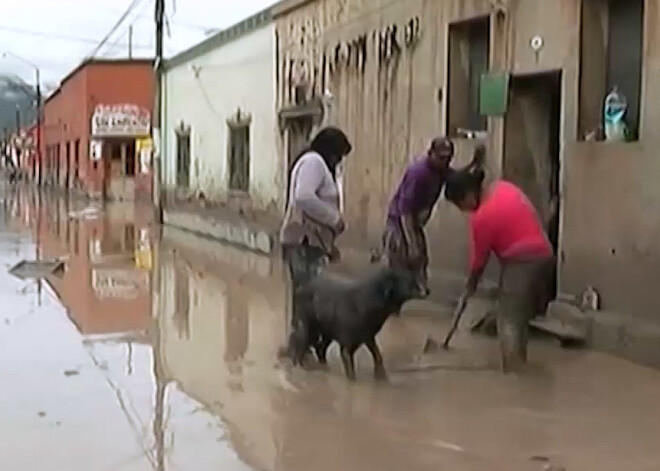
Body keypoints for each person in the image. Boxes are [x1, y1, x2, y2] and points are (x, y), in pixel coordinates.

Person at [444, 168, 554, 372]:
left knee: (508, 316)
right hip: (545, 255)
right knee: (518, 315)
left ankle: (515, 373)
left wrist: (470, 286)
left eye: (460, 205)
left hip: (523, 261)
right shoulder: (503, 188)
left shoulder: (482, 218)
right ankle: (521, 364)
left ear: (468, 195)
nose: (463, 210)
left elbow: (479, 262)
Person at [382, 138, 484, 297]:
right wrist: (412, 243)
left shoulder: (441, 171)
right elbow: (405, 211)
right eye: (441, 158)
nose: (445, 162)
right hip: (400, 221)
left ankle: (417, 290)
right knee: (401, 259)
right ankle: (392, 297)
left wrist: (474, 163)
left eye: (448, 158)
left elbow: (457, 176)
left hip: (415, 222)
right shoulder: (418, 173)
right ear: (431, 154)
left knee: (420, 258)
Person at [280, 126, 352, 325]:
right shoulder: (314, 162)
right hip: (303, 242)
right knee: (308, 296)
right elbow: (303, 198)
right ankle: (301, 345)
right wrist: (334, 219)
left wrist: (329, 245)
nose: (339, 161)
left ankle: (301, 344)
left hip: (311, 242)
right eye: (338, 155)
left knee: (308, 295)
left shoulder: (316, 164)